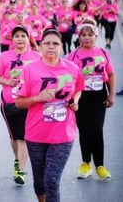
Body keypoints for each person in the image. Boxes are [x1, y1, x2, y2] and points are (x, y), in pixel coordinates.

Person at [15, 29, 84, 202]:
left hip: (63, 135)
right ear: (40, 46)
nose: (51, 47)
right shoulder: (30, 70)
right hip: (36, 134)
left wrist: (74, 101)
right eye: (47, 43)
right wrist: (37, 98)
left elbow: (78, 88)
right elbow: (19, 102)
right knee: (39, 181)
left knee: (51, 180)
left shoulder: (72, 68)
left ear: (62, 47)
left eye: (55, 43)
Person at [67, 20, 115, 181]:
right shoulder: (73, 56)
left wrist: (112, 94)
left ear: (96, 36)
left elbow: (111, 75)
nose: (87, 38)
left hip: (98, 95)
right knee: (84, 130)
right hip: (80, 96)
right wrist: (70, 100)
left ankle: (100, 166)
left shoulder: (102, 52)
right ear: (79, 37)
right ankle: (86, 163)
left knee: (96, 129)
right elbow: (67, 79)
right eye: (83, 35)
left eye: (90, 35)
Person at [0, 25, 41, 185]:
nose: (20, 39)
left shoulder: (36, 57)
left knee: (23, 137)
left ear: (28, 39)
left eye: (23, 36)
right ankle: (17, 160)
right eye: (17, 36)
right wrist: (8, 81)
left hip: (28, 102)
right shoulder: (4, 57)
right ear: (12, 40)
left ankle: (20, 170)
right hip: (8, 102)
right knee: (14, 136)